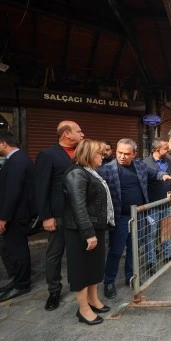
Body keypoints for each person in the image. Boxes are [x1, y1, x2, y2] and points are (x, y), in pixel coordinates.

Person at [99, 138, 171, 299]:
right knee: (116, 251)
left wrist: (163, 176)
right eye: (119, 153)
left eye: (127, 154)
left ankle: (130, 277)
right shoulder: (106, 170)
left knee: (134, 248)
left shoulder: (140, 165)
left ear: (134, 154)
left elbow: (153, 173)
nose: (122, 156)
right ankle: (109, 282)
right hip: (120, 218)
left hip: (139, 216)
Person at [62, 139, 113, 325]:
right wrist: (88, 233)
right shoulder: (77, 173)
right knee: (81, 270)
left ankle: (93, 300)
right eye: (100, 153)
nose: (103, 156)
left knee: (94, 267)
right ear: (89, 155)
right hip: (81, 231)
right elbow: (78, 206)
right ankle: (83, 309)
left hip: (94, 227)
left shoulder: (90, 172)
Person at [35, 120, 84, 311]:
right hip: (59, 215)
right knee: (54, 254)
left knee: (79, 252)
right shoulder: (48, 155)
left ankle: (79, 285)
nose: (82, 134)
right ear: (66, 134)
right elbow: (41, 188)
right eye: (78, 131)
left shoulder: (81, 153)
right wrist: (46, 216)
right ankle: (54, 290)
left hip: (79, 214)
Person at [0, 132, 34, 303]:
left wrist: (4, 217)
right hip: (16, 214)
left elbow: (13, 192)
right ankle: (17, 281)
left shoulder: (18, 160)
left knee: (17, 249)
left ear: (4, 143)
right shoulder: (17, 159)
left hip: (16, 215)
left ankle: (22, 284)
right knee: (14, 250)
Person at [143, 138, 171, 273]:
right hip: (152, 205)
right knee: (151, 234)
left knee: (166, 231)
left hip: (166, 204)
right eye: (165, 148)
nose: (168, 150)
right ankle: (151, 262)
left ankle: (168, 255)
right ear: (157, 150)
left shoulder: (168, 162)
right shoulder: (145, 164)